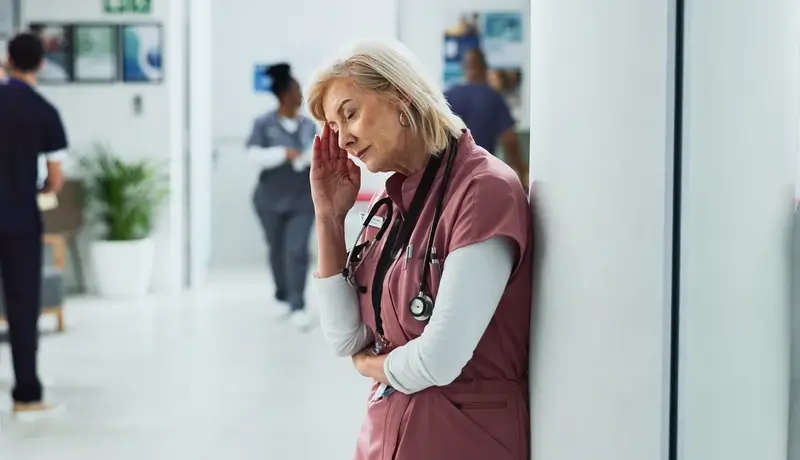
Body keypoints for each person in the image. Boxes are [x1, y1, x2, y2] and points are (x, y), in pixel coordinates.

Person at [306, 40, 533, 459]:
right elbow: (346, 336)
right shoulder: (389, 202)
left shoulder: (483, 191)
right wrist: (329, 219)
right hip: (385, 437)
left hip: (463, 438)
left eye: (350, 114)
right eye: (335, 128)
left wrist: (372, 366)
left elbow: (439, 360)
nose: (345, 139)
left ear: (400, 96)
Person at [0, 32, 67, 418]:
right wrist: (39, 185)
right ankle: (27, 393)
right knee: (23, 306)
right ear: (41, 63)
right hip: (21, 220)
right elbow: (55, 179)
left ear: (9, 58)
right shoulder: (44, 111)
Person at [246, 63, 317, 331]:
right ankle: (283, 296)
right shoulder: (263, 124)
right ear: (286, 94)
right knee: (277, 249)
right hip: (269, 199)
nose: (301, 95)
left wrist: (302, 157)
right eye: (298, 90)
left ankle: (298, 303)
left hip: (302, 199)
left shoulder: (308, 125)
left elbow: (315, 153)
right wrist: (282, 154)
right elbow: (253, 154)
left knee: (296, 249)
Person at [444, 47, 527, 180]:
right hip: (481, 175)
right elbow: (509, 139)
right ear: (484, 68)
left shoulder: (448, 96)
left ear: (464, 68)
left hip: (449, 176)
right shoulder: (492, 97)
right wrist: (521, 174)